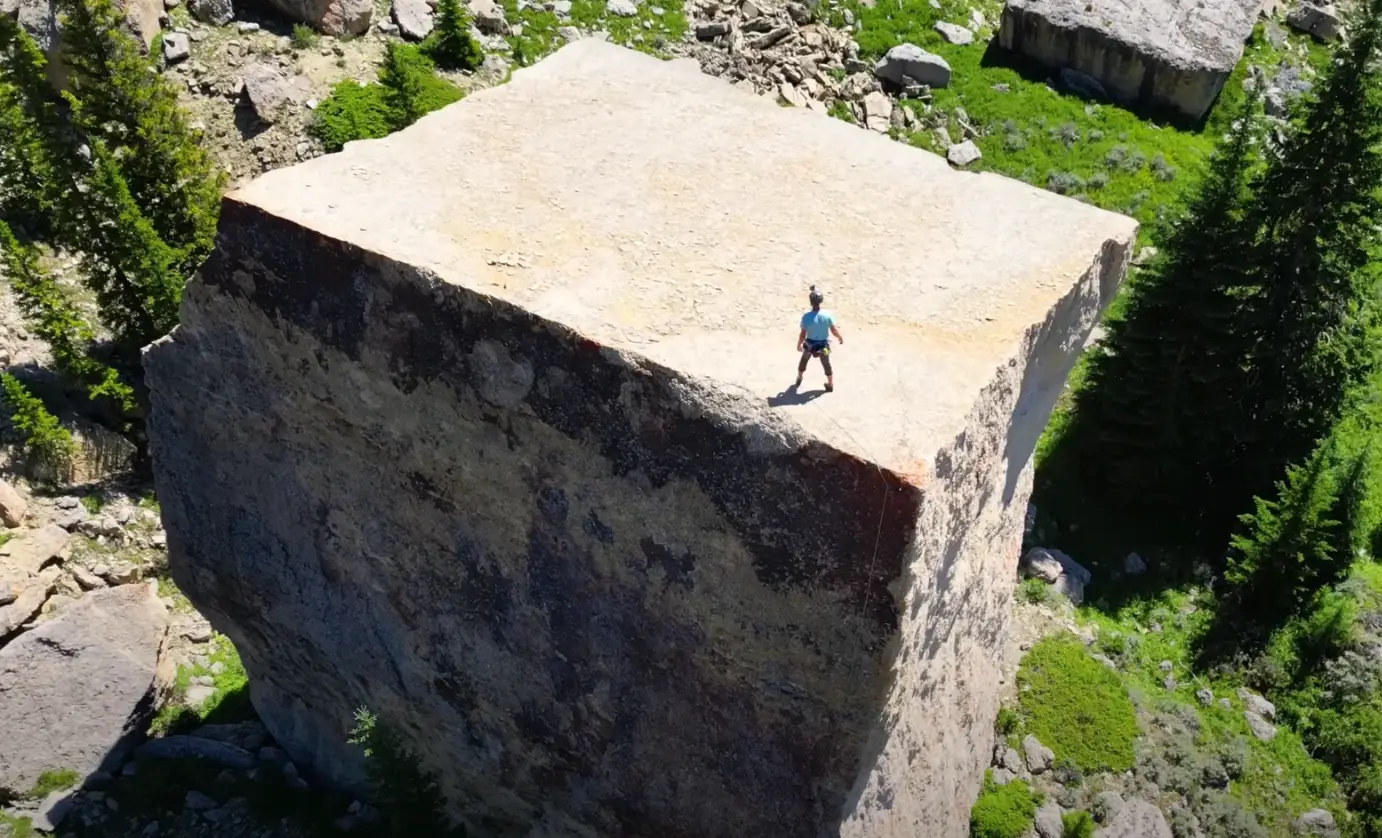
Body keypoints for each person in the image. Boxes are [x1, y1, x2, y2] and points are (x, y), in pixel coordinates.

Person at [795, 285, 844, 392]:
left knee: (803, 361)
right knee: (826, 364)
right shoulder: (827, 316)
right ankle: (830, 384)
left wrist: (798, 344)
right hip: (823, 345)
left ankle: (799, 378)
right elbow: (833, 330)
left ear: (811, 302)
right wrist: (839, 337)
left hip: (810, 344)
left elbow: (803, 334)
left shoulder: (806, 317)